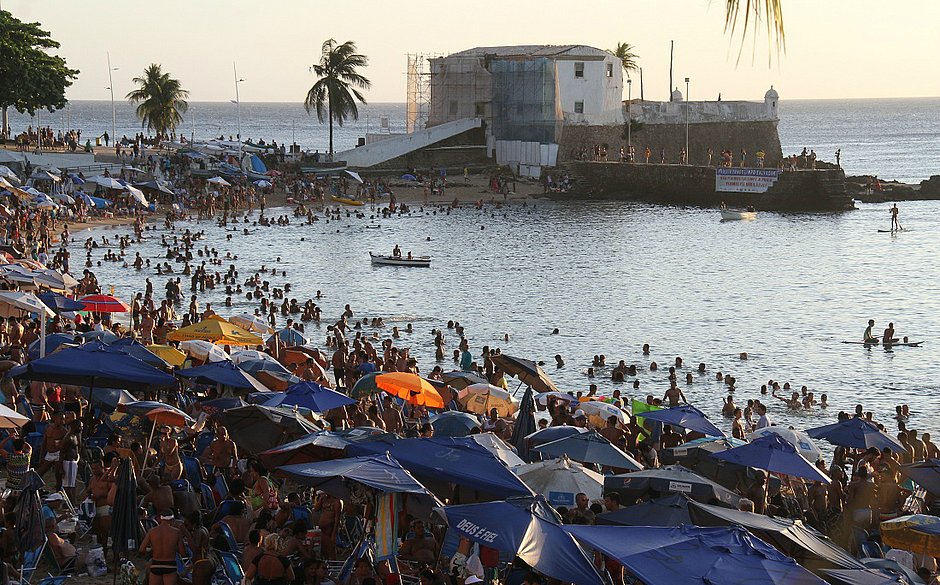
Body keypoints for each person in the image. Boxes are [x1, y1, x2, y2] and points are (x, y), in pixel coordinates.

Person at [139, 510, 186, 585]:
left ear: (160, 519)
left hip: (156, 565)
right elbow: (183, 552)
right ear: (172, 520)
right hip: (170, 565)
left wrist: (152, 550)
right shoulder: (177, 532)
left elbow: (141, 549)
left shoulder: (152, 531)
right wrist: (173, 547)